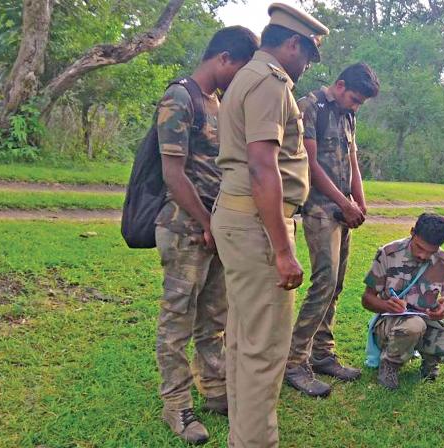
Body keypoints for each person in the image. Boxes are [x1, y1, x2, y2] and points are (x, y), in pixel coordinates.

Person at [210, 4, 329, 447]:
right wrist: (283, 250)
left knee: (244, 339)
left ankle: (242, 438)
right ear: (292, 43)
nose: (306, 66)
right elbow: (264, 167)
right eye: (308, 55)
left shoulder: (249, 76)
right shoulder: (269, 82)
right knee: (264, 350)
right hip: (258, 225)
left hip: (240, 218)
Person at [154, 26, 258, 445]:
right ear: (225, 59)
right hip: (184, 228)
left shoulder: (216, 102)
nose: (239, 81)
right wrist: (206, 222)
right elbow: (173, 174)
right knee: (177, 319)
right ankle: (176, 404)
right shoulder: (180, 97)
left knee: (214, 316)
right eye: (240, 71)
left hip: (214, 231)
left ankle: (214, 389)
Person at [284, 63, 380, 397]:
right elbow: (310, 163)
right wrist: (344, 202)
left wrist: (360, 200)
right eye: (354, 99)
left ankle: (322, 353)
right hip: (320, 208)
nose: (356, 106)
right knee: (323, 283)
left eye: (360, 103)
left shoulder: (347, 114)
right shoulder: (310, 107)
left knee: (336, 284)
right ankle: (295, 361)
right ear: (339, 85)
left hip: (343, 208)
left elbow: (352, 159)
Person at [360, 213, 444, 390]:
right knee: (414, 325)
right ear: (412, 232)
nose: (423, 256)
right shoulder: (388, 253)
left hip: (427, 324)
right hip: (390, 325)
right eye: (419, 248)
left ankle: (430, 359)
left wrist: (443, 311)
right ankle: (390, 364)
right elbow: (367, 299)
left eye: (431, 252)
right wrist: (387, 306)